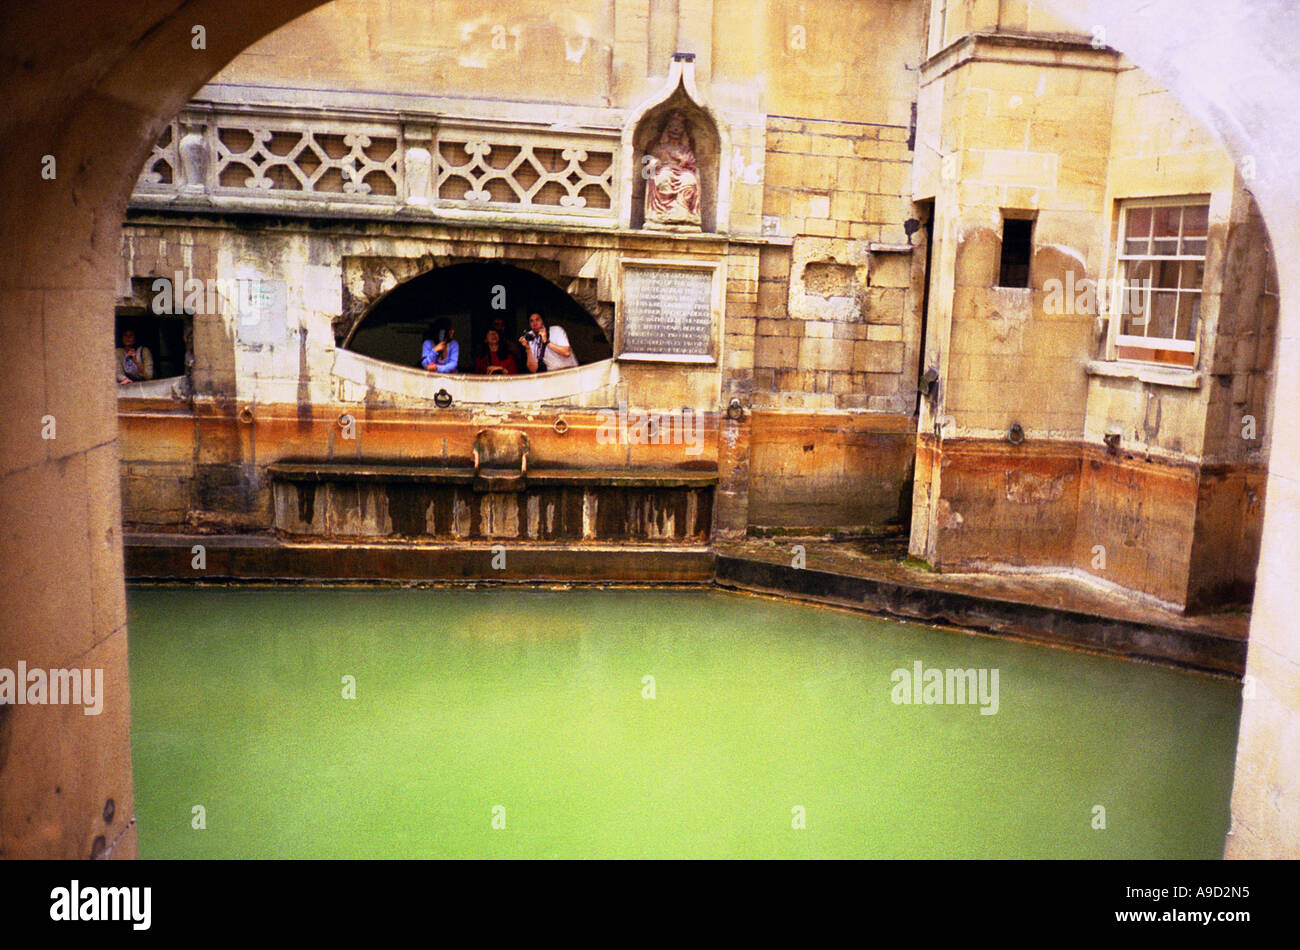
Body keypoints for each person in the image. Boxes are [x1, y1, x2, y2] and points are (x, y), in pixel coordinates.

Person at [644, 110, 702, 228]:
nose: (676, 130)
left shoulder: (685, 150)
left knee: (689, 180)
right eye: (673, 127)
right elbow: (649, 166)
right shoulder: (659, 148)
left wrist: (684, 160)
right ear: (667, 130)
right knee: (664, 178)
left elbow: (692, 165)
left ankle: (682, 211)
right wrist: (653, 164)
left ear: (683, 131)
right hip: (665, 170)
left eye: (679, 127)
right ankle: (663, 213)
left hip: (682, 172)